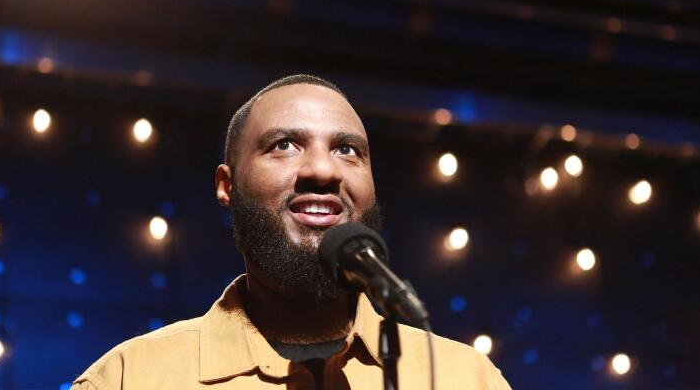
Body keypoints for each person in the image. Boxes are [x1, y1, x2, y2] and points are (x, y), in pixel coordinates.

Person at [72, 74, 512, 389]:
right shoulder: (130, 378)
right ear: (227, 186)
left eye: (346, 149)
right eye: (284, 145)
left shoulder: (466, 378)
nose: (323, 169)